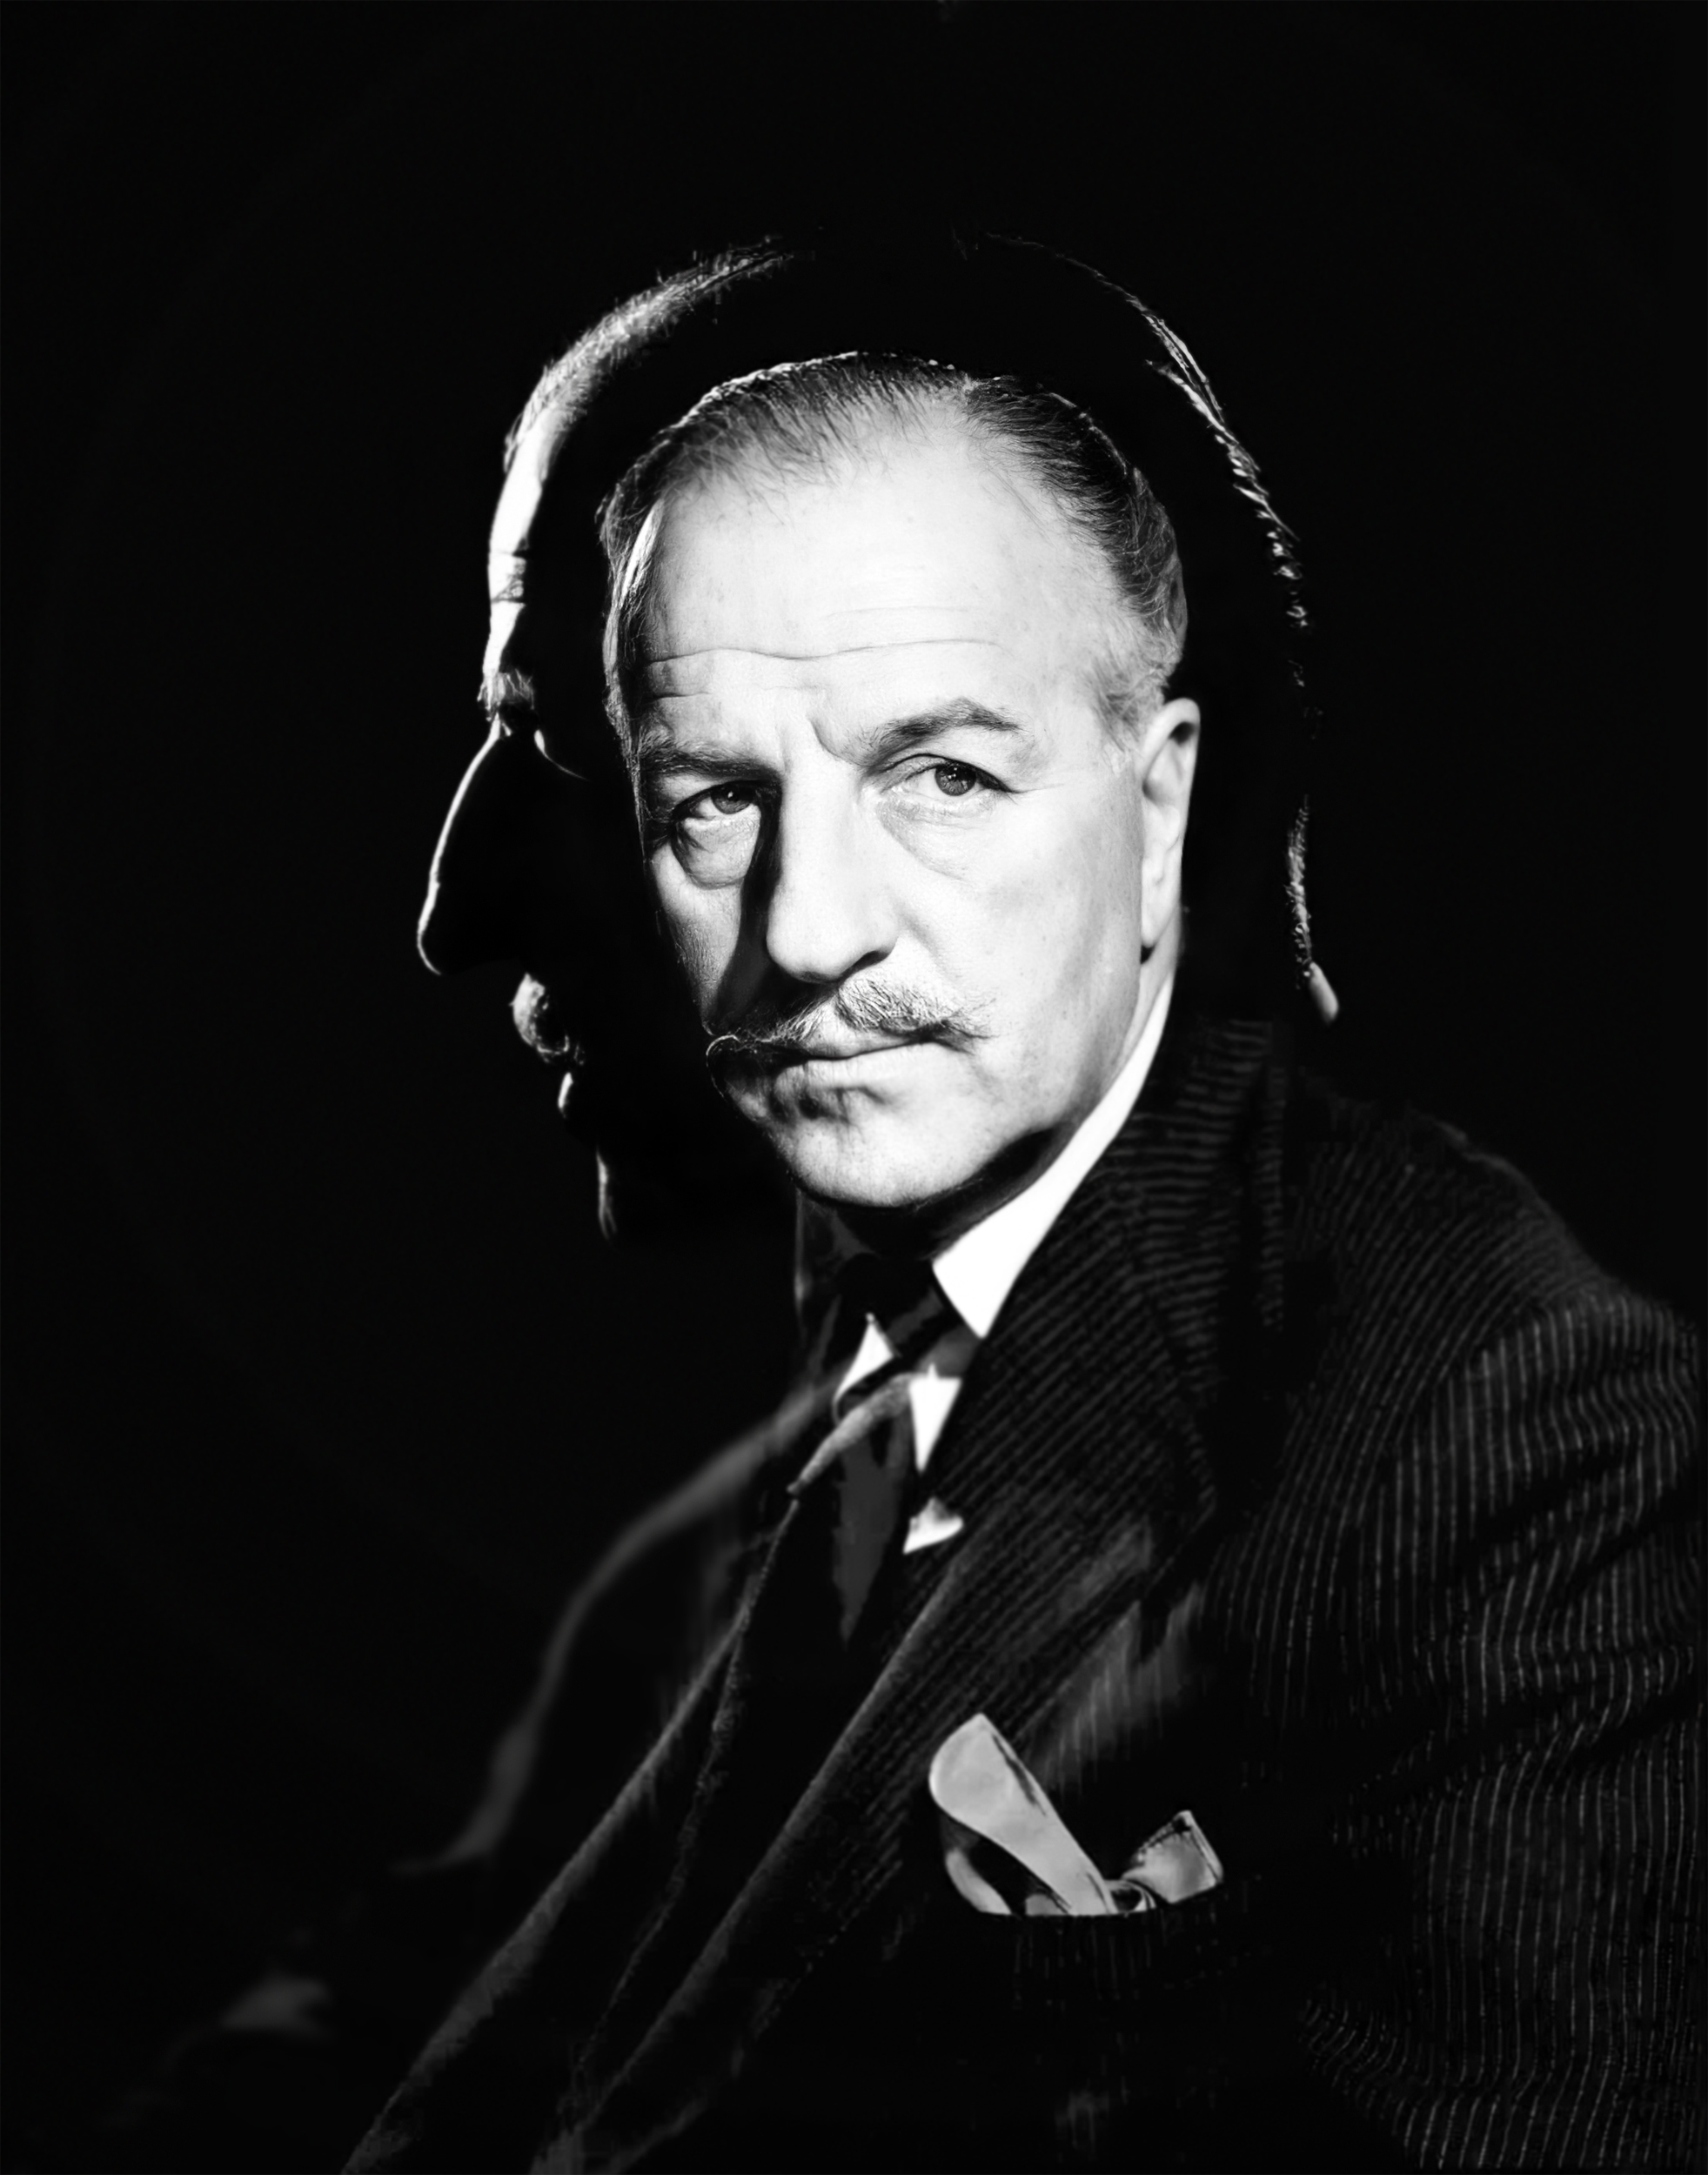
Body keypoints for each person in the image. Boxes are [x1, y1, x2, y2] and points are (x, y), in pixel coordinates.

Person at [77, 231, 1704, 2174]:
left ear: (1165, 801)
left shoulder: (1512, 1449)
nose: (809, 929)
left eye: (938, 774)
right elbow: (427, 2013)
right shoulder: (788, 1472)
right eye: (703, 794)